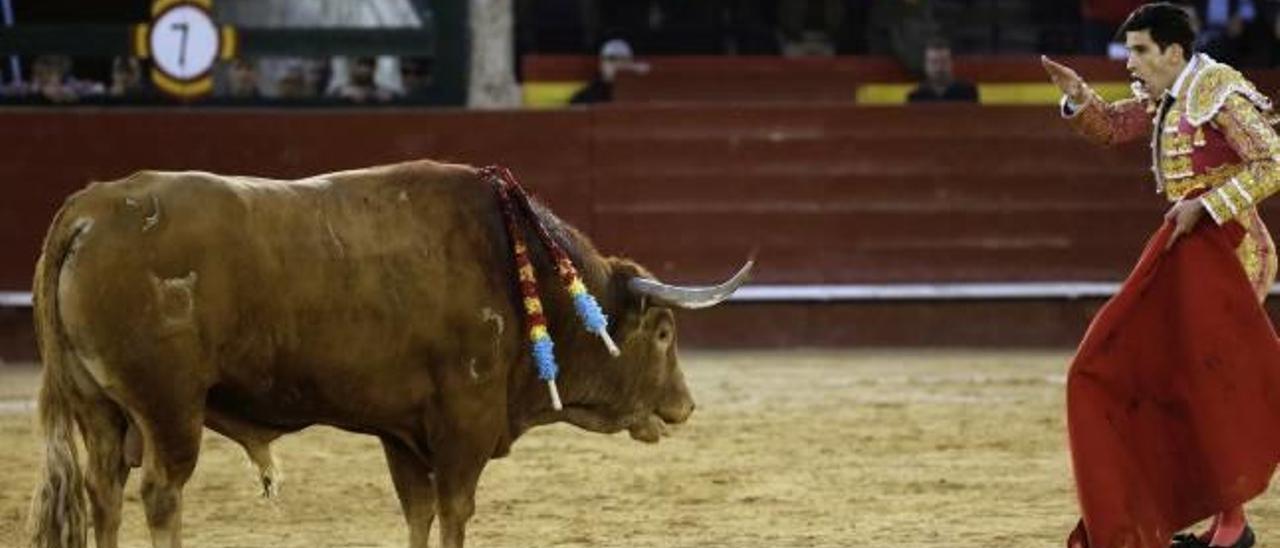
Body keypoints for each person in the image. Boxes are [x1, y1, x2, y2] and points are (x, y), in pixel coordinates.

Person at [1044, 3, 1280, 547]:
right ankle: (1229, 520)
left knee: (1208, 384)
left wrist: (1209, 206)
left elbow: (1270, 161)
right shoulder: (1170, 95)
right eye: (1129, 51)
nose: (1131, 62)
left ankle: (1232, 522)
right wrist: (1079, 97)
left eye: (1140, 51)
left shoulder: (1216, 86)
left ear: (1174, 51)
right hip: (1191, 253)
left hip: (1234, 250)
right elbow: (1115, 125)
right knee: (1193, 384)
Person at [568, 39, 649, 105]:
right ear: (602, 64)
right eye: (611, 59)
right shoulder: (585, 96)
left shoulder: (641, 94)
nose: (617, 65)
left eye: (623, 60)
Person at [906, 38, 978, 103]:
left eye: (943, 62)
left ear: (951, 63)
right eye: (934, 62)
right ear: (925, 65)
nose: (939, 68)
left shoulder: (967, 92)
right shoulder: (916, 96)